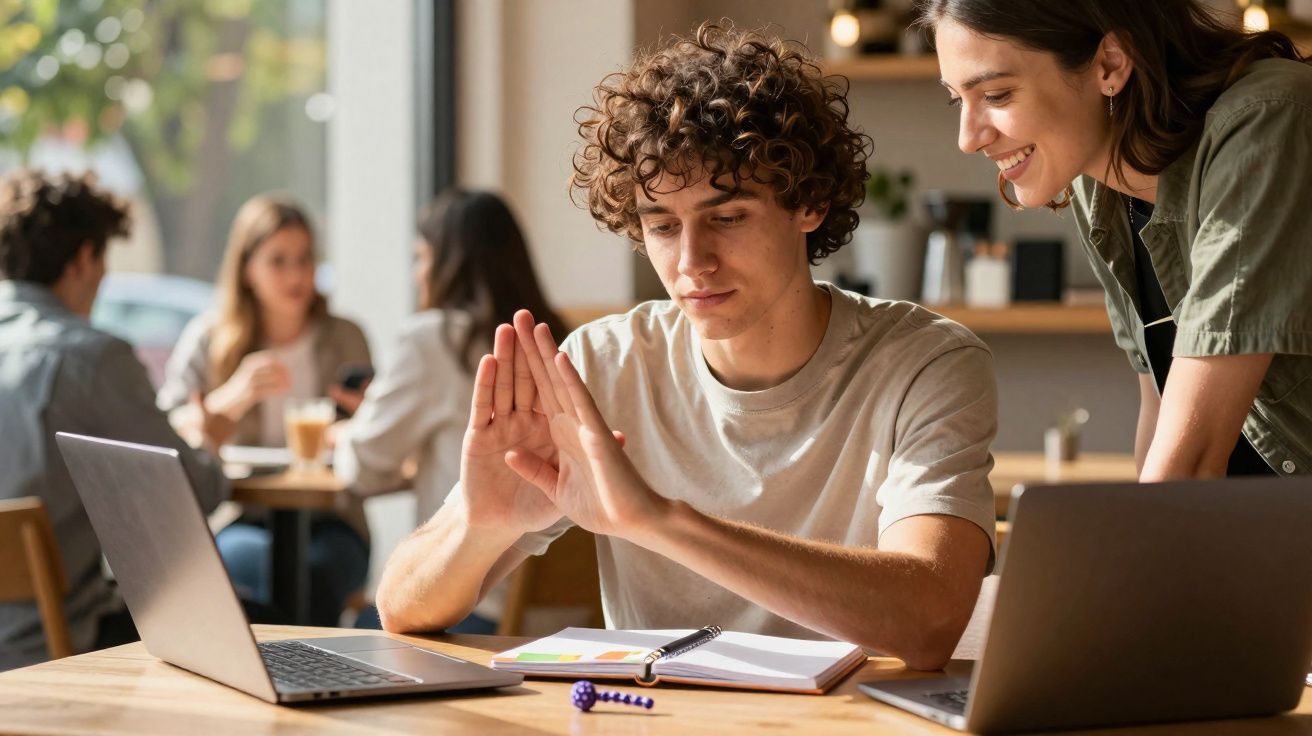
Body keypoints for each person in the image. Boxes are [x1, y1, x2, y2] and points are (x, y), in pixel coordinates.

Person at [376, 23, 999, 671]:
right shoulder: (602, 363)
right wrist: (484, 524)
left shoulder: (926, 362)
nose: (691, 261)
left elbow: (930, 619)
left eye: (727, 217)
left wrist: (659, 521)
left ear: (809, 203)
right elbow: (403, 609)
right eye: (662, 226)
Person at [922, 0, 1312, 480]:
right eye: (956, 99)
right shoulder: (1096, 185)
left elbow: (1193, 453)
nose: (968, 138)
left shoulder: (1268, 122)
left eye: (998, 95)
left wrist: (1139, 548)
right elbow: (1160, 409)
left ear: (1111, 63)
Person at [0, 170, 231, 670]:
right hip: (50, 646)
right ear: (85, 257)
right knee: (260, 617)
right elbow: (191, 497)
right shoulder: (91, 359)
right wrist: (207, 444)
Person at [333, 189, 567, 634]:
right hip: (568, 619)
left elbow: (361, 469)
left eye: (421, 258)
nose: (416, 273)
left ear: (448, 265)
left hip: (465, 604)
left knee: (338, 625)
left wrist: (346, 433)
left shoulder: (433, 340)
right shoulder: (563, 340)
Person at [156, 194, 372, 626]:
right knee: (247, 569)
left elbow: (377, 429)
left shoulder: (345, 336)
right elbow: (168, 425)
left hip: (333, 518)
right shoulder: (211, 338)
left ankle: (310, 680)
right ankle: (278, 676)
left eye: (304, 259)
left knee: (313, 575)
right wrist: (231, 397)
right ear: (247, 269)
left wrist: (368, 416)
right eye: (278, 260)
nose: (296, 274)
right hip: (243, 515)